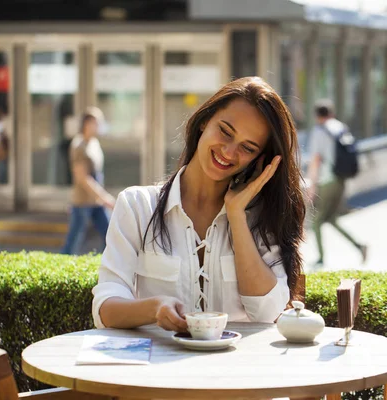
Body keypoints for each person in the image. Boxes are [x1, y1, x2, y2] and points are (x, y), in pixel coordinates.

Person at [92, 77, 306, 332]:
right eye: (225, 132)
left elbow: (267, 312)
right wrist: (155, 309)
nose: (228, 152)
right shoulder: (137, 206)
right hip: (157, 370)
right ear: (205, 120)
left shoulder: (259, 218)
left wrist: (236, 215)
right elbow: (105, 309)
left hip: (236, 370)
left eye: (247, 148)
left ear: (260, 161)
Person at [306, 99, 367, 266]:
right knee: (331, 218)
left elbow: (316, 160)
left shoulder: (319, 131)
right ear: (331, 113)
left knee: (317, 221)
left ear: (317, 116)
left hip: (327, 180)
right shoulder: (340, 127)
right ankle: (359, 246)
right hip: (341, 179)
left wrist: (312, 187)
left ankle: (320, 258)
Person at [61, 106, 116, 255]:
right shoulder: (79, 145)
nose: (100, 126)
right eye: (97, 122)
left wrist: (100, 198)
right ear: (87, 124)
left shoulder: (94, 143)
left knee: (111, 235)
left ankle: (107, 268)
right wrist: (104, 197)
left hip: (95, 202)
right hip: (83, 202)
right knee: (72, 243)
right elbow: (82, 177)